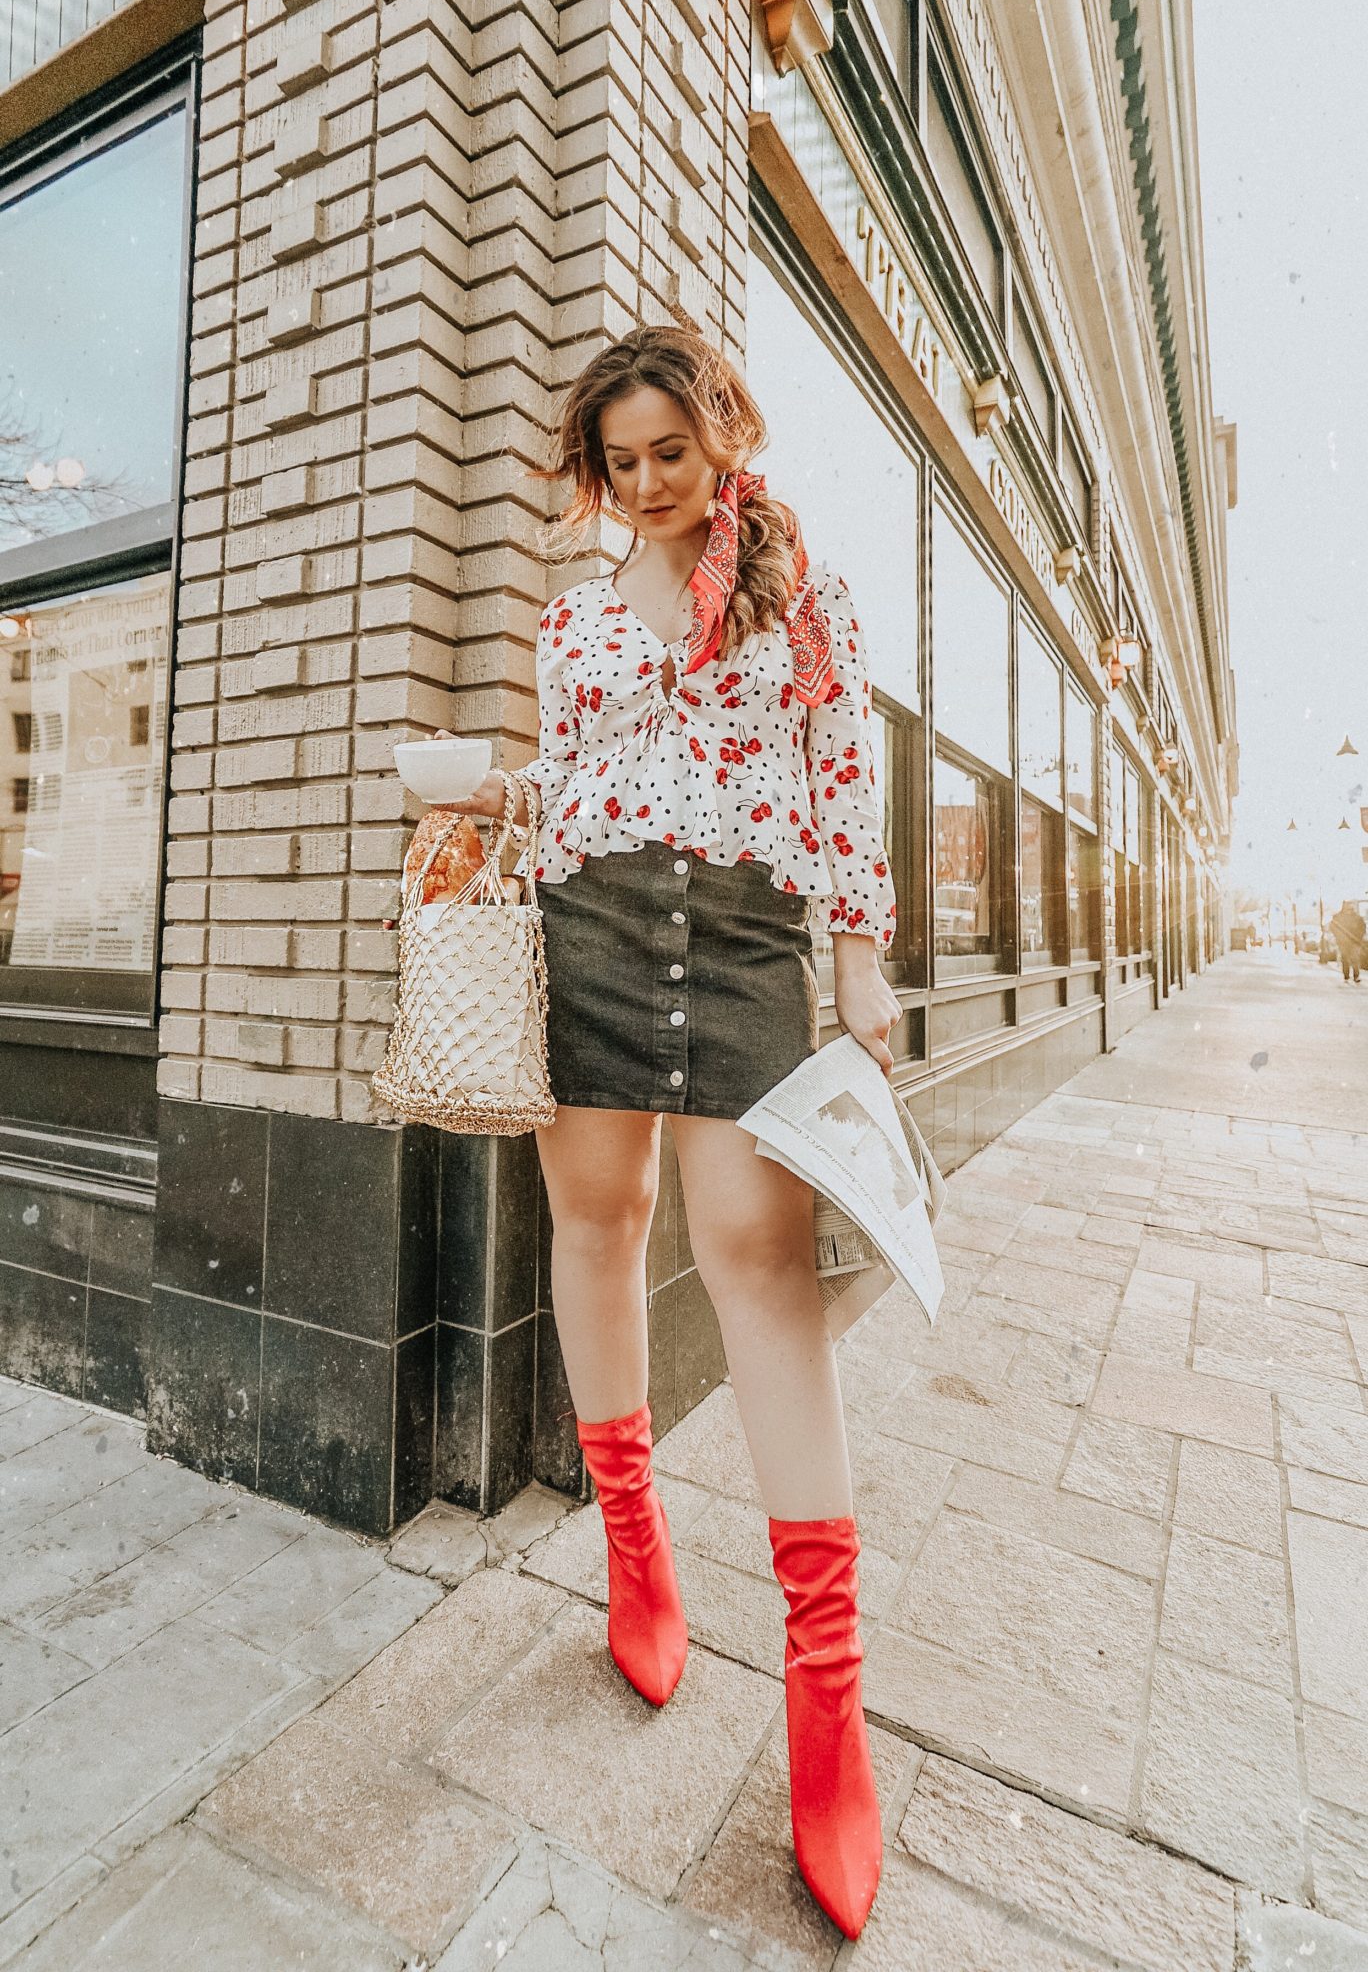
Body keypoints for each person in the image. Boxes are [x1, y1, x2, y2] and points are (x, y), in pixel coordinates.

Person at [432, 323, 901, 1938]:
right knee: (598, 1222)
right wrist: (480, 800)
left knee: (761, 1262)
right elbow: (574, 781)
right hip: (595, 931)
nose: (642, 485)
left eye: (666, 455)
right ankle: (635, 1548)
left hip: (757, 935)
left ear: (720, 438)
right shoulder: (571, 621)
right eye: (616, 463)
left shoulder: (802, 593)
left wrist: (859, 956)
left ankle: (824, 1703)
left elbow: (842, 768)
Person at [1329, 899, 1365, 983]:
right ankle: (1346, 976)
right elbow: (1333, 927)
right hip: (1343, 942)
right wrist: (1339, 936)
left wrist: (1359, 937)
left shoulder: (1357, 918)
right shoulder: (1338, 917)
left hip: (1354, 942)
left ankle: (1356, 976)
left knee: (1355, 958)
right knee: (1345, 959)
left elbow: (1362, 928)